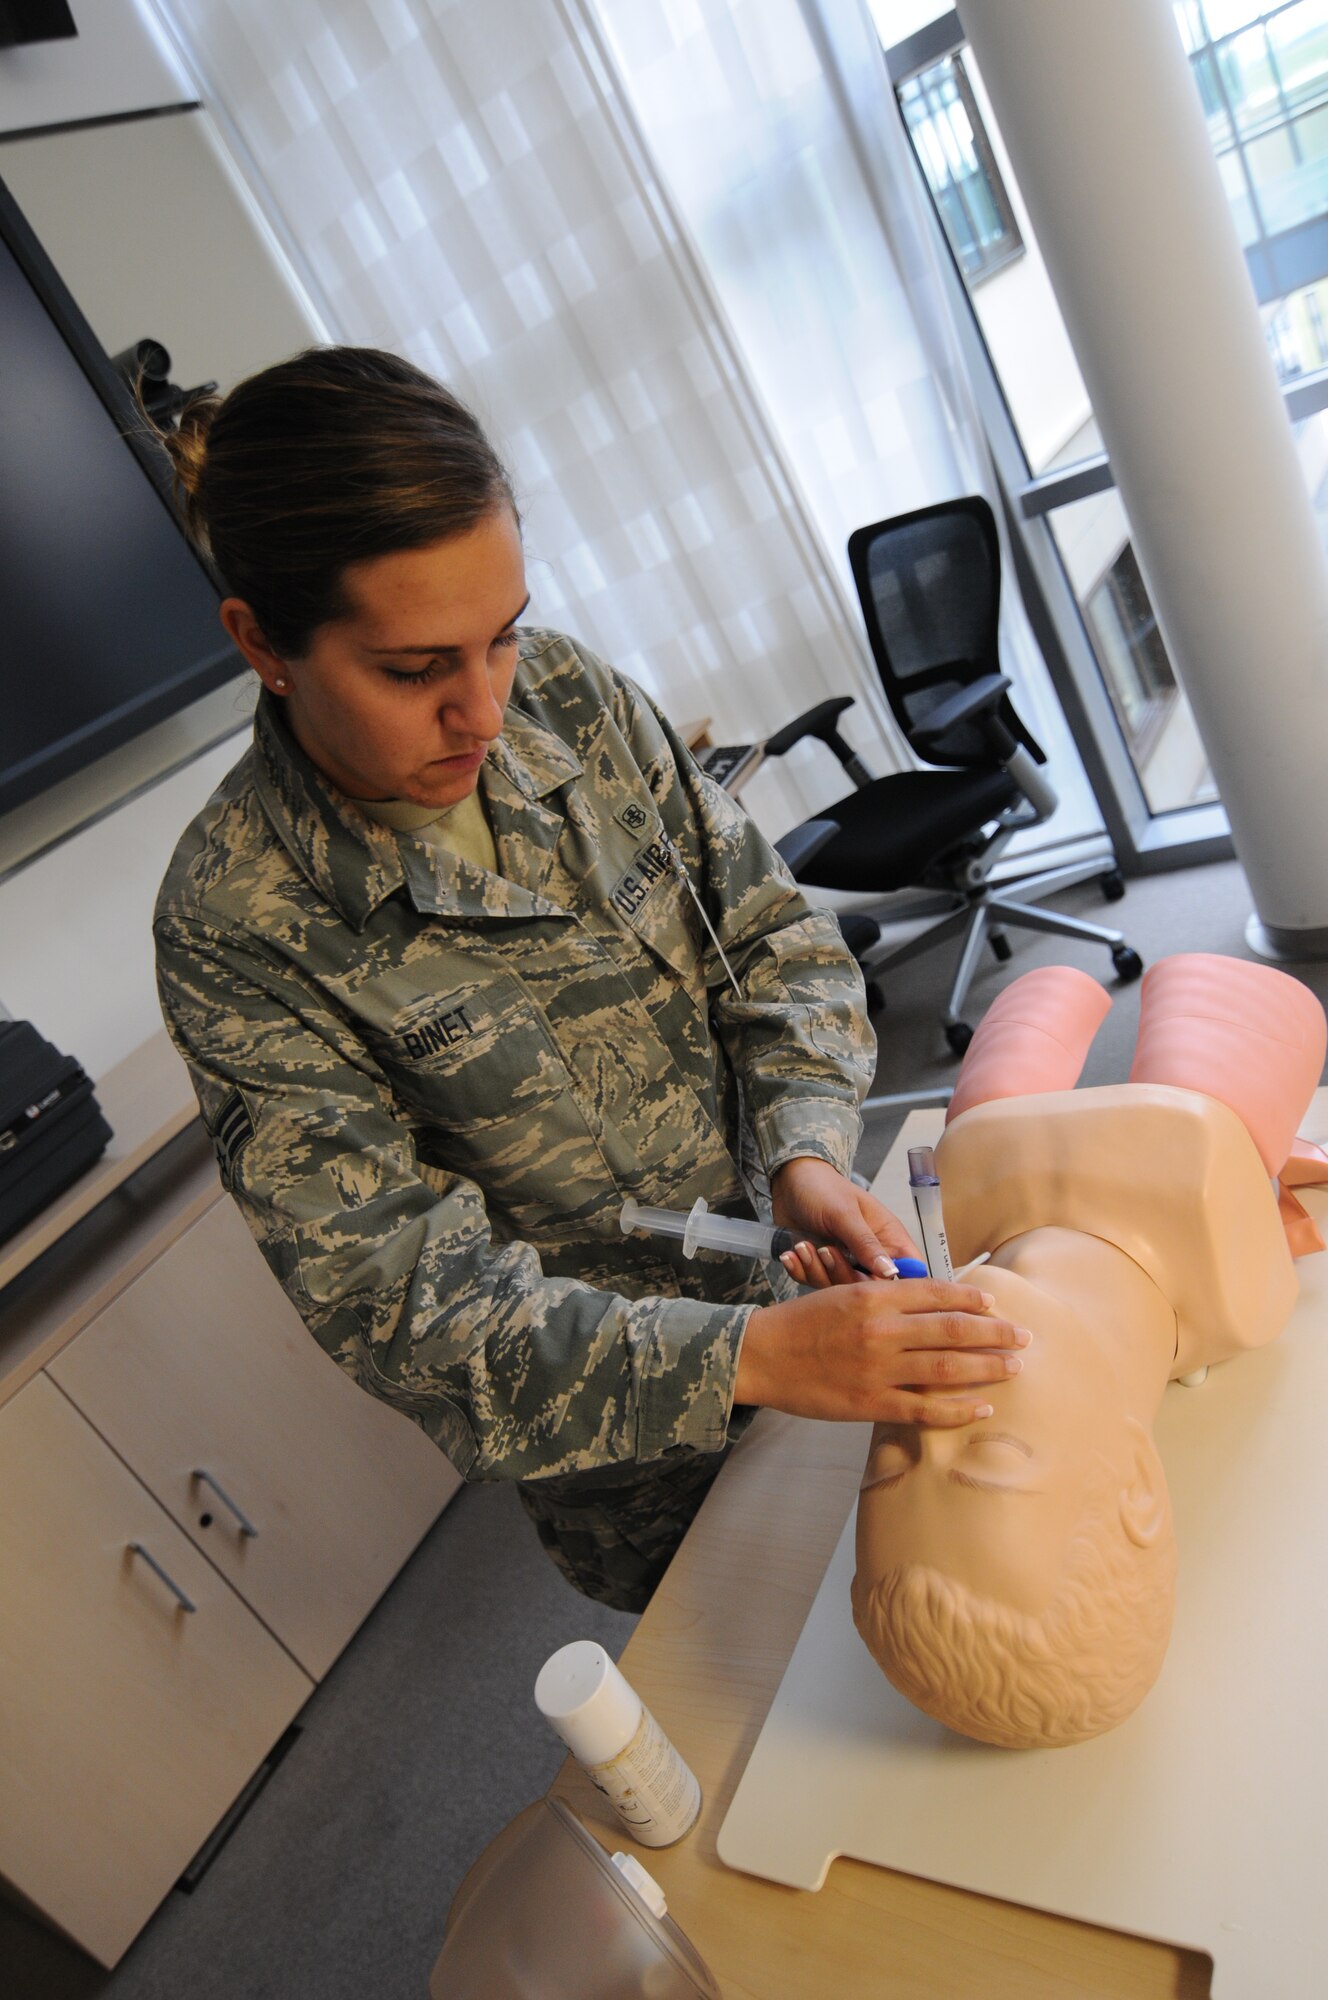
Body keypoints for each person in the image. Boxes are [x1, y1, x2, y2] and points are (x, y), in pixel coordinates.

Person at [150, 345, 1026, 1612]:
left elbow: (768, 940)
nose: (485, 713)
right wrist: (752, 1354)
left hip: (822, 1298)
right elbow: (403, 1308)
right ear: (262, 644)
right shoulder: (238, 924)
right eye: (414, 670)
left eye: (496, 638)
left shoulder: (565, 695)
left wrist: (804, 1155)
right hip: (649, 1466)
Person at [851, 953, 1328, 1748]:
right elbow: (1261, 1009)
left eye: (891, 1458)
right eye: (992, 1454)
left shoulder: (958, 1205)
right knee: (1215, 1018)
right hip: (1196, 1137)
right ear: (1138, 1484)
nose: (933, 1412)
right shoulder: (1236, 1284)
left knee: (1024, 1025)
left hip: (1007, 1163)